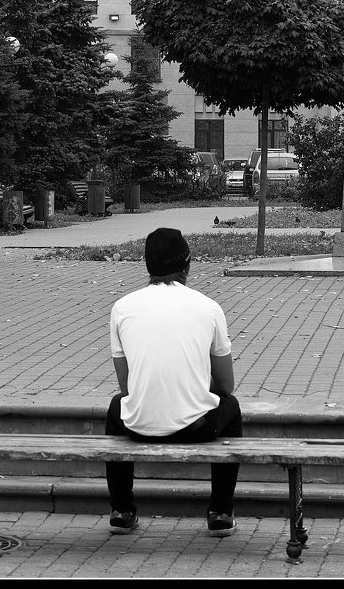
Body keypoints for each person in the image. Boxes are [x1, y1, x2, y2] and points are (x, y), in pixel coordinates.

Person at [105, 227, 243, 538]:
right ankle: (220, 511)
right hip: (197, 429)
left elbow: (127, 390)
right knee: (231, 407)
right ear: (188, 264)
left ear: (148, 265)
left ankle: (122, 510)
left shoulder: (122, 308)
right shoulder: (208, 307)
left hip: (138, 428)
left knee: (116, 405)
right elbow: (226, 386)